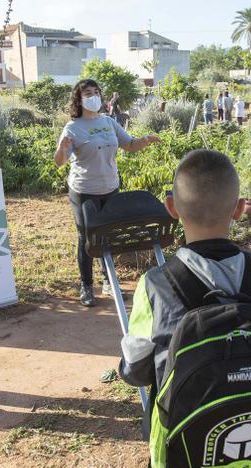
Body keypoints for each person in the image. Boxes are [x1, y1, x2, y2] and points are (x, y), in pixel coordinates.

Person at [119, 149, 251, 468]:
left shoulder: (155, 284)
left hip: (181, 427)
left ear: (171, 207)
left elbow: (135, 369)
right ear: (240, 208)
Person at [54, 79, 161, 307]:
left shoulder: (109, 123)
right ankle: (86, 286)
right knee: (87, 238)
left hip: (110, 188)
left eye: (96, 92)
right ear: (79, 100)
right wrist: (62, 149)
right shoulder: (73, 127)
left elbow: (130, 144)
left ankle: (109, 282)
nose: (94, 96)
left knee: (107, 236)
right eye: (88, 93)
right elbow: (59, 162)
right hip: (84, 190)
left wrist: (146, 140)